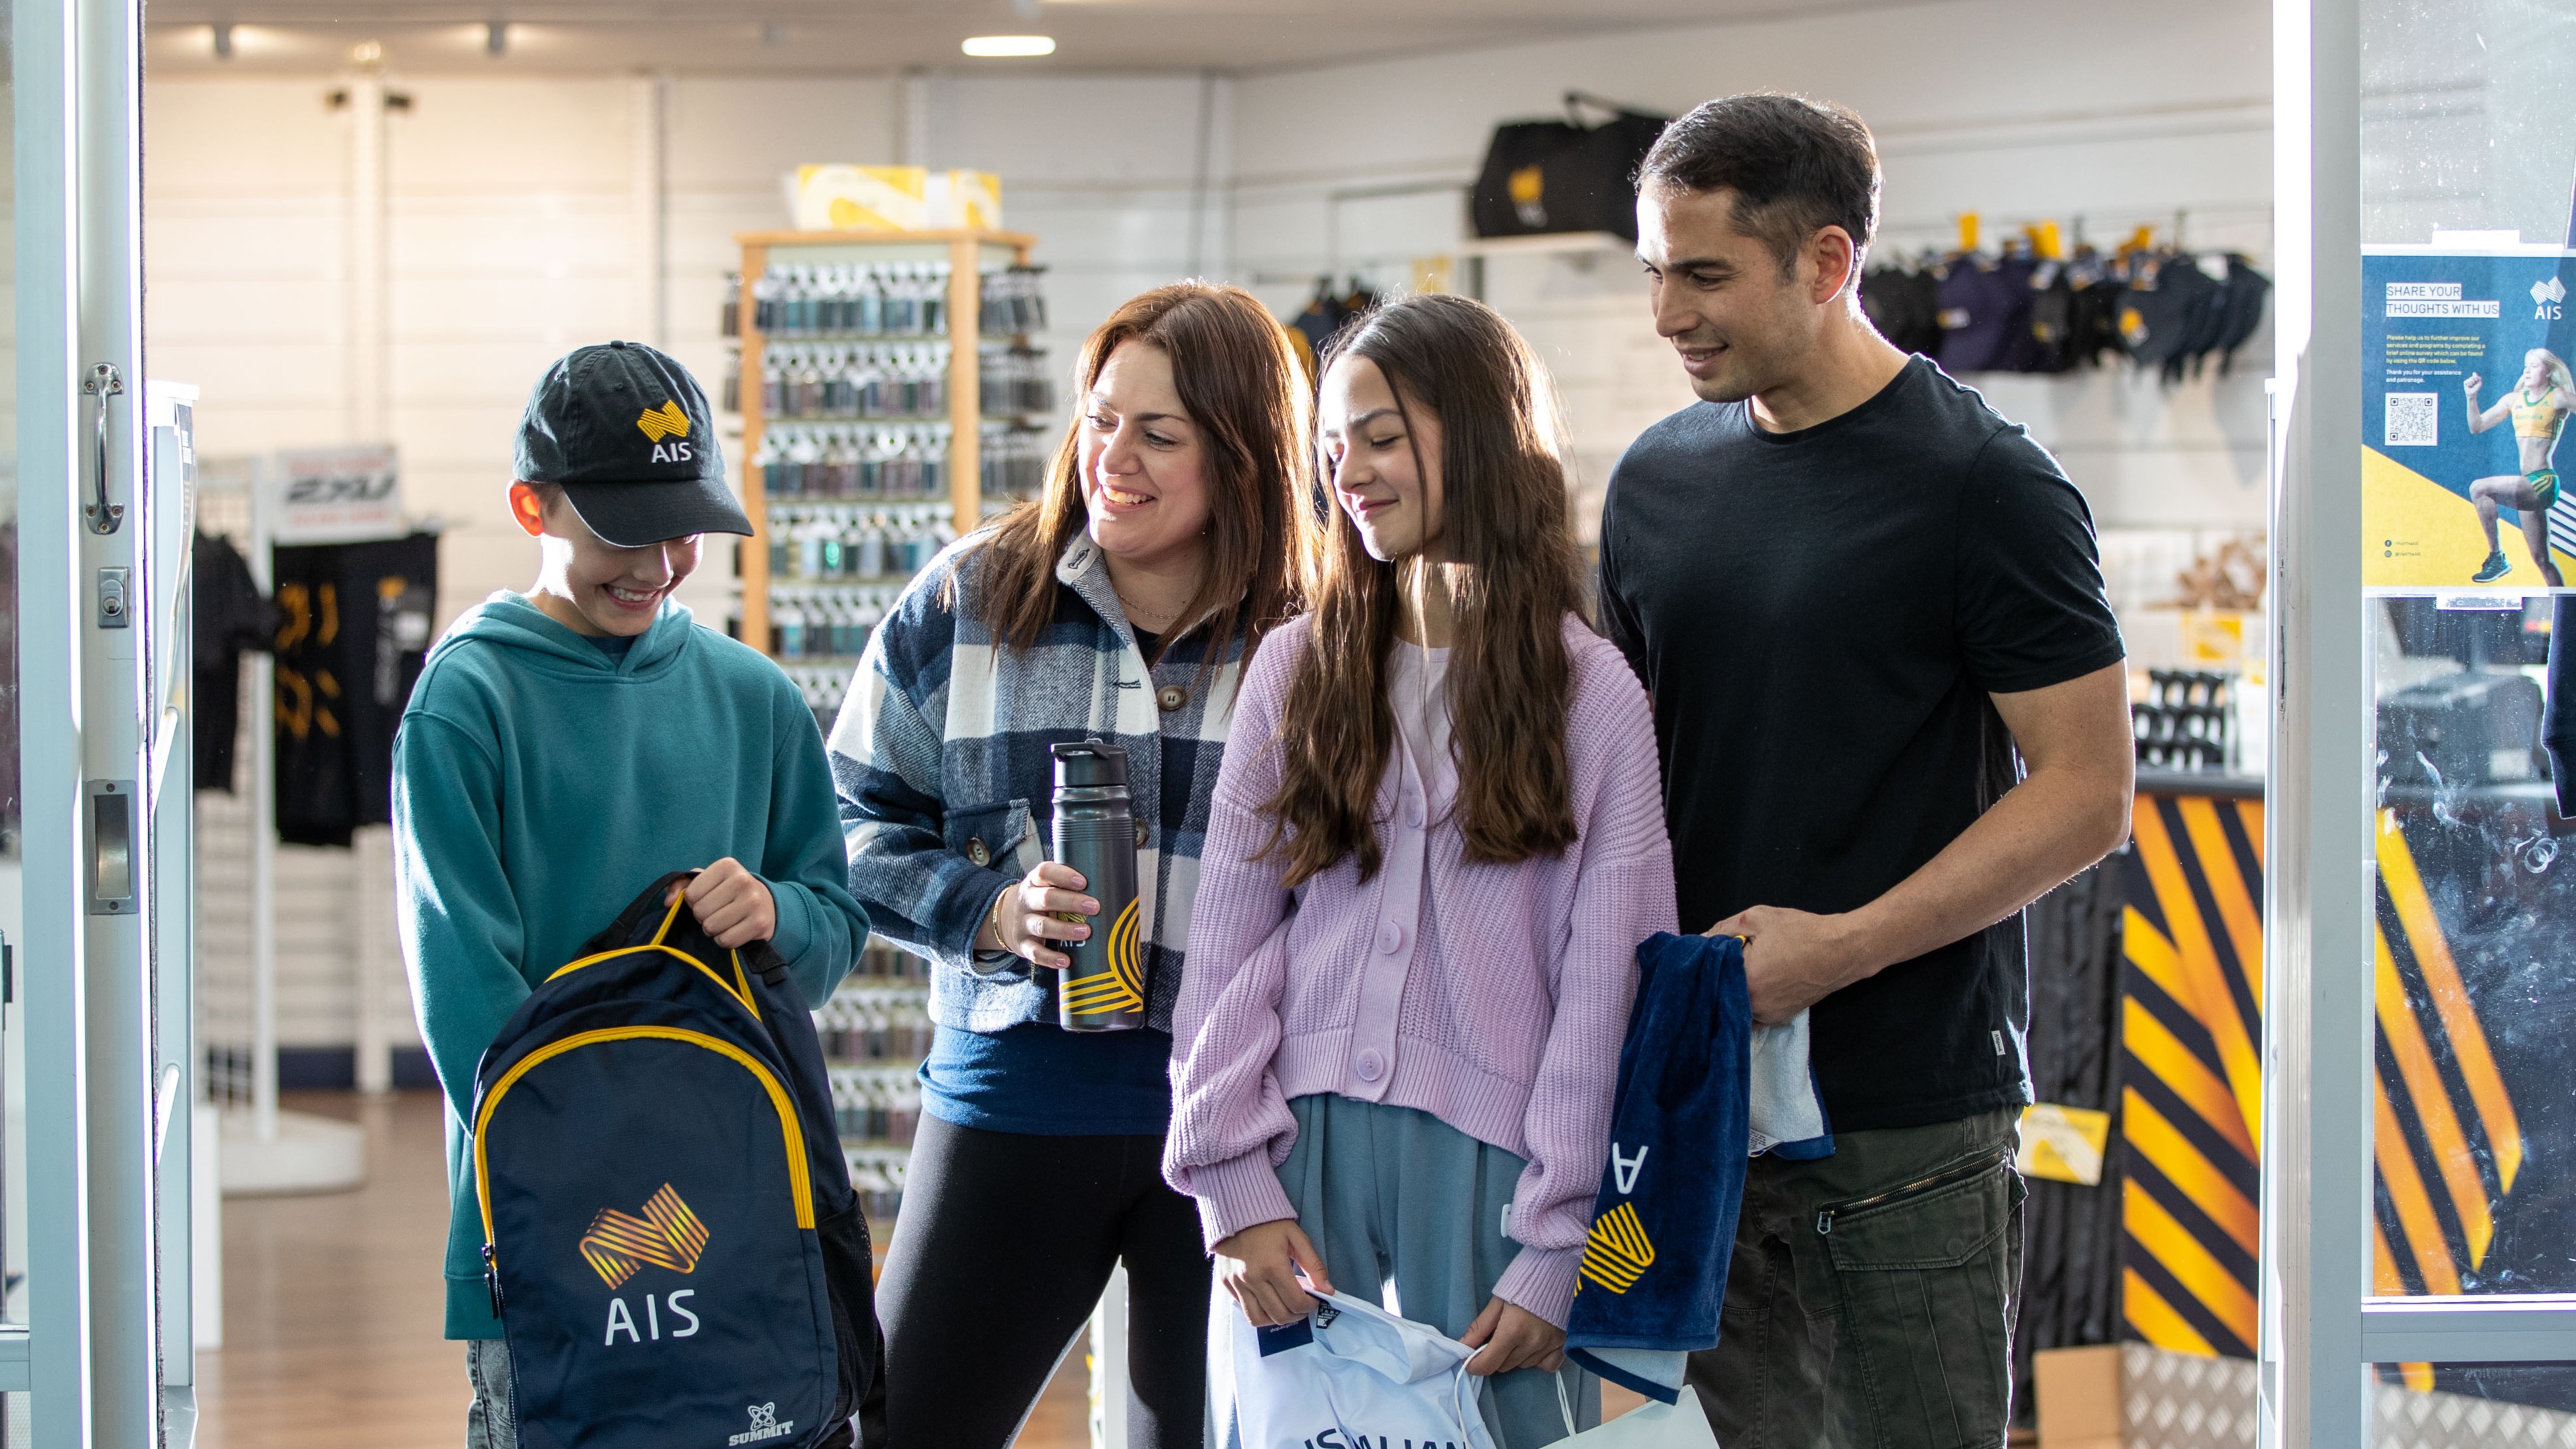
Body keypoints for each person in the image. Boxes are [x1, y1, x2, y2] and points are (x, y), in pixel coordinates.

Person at [1599, 95, 2135, 1446]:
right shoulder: (1653, 480)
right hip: (1696, 1094)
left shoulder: (1983, 486)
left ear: (1827, 263)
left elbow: (2085, 792)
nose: (1668, 313)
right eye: (1654, 270)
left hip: (1901, 1119)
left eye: (1705, 274)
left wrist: (1838, 948)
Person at [1165, 294, 1675, 1449]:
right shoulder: (1295, 667)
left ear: (1486, 437)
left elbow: (1608, 995)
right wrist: (1231, 1185)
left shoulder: (1591, 696)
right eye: (1334, 446)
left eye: (1382, 435)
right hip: (1297, 1144)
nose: (1351, 471)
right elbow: (1229, 943)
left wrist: (1559, 1249)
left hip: (1498, 1161)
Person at [830, 282, 1310, 1449]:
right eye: (1100, 420)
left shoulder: (1318, 634)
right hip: (1014, 1105)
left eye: (1160, 432)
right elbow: (843, 825)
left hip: (1243, 1136)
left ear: (1244, 456)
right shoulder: (970, 599)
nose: (1115, 457)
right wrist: (987, 909)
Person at [393, 341, 871, 1449]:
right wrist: (637, 1167)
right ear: (532, 505)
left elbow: (833, 923)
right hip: (559, 1230)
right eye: (622, 527)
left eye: (683, 526)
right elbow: (468, 1010)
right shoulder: (466, 706)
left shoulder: (754, 696)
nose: (658, 560)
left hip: (750, 1219)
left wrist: (782, 915)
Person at [2465, 347, 2575, 584]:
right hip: (2527, 485)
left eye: (2534, 366)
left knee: (2479, 488)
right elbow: (2477, 426)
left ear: (2548, 372)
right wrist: (2471, 398)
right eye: (2526, 365)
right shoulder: (2513, 400)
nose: (2527, 370)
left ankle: (2497, 557)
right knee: (2542, 560)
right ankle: (2568, 612)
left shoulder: (2558, 397)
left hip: (2543, 481)